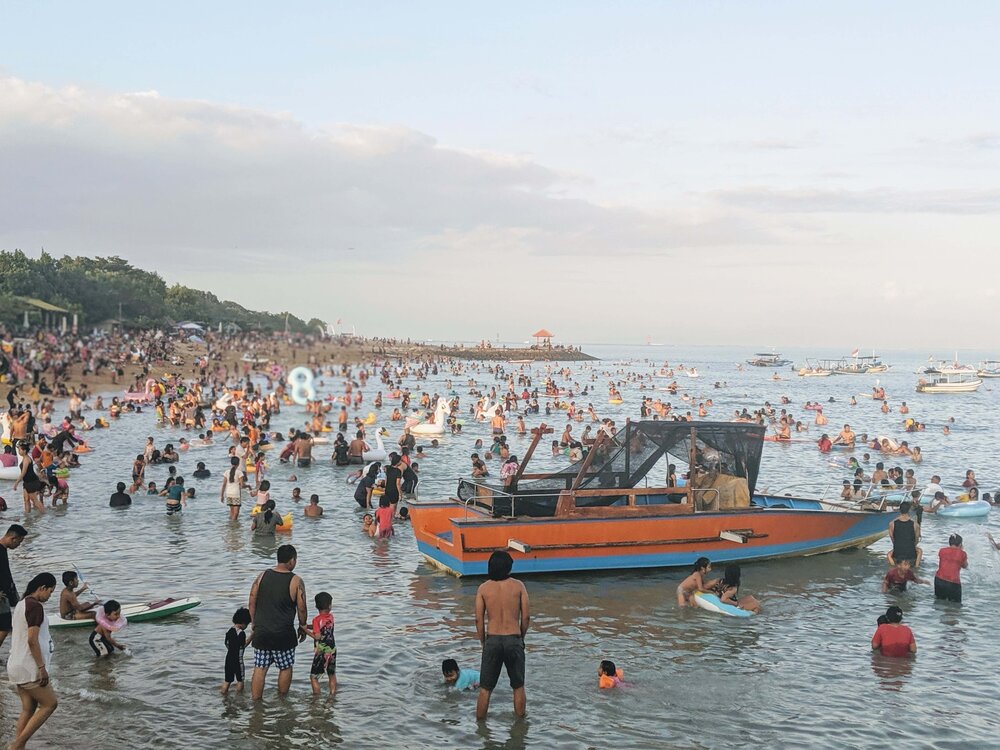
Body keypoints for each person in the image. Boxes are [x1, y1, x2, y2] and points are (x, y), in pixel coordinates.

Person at [248, 545, 308, 699]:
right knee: (285, 667)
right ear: (292, 561)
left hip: (262, 632)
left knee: (260, 668)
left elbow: (252, 601)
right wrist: (302, 626)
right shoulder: (296, 580)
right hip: (283, 634)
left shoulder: (262, 576)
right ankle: (282, 702)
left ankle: (256, 703)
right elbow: (302, 608)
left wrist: (254, 624)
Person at [7, 572, 58, 750]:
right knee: (50, 704)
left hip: (16, 664)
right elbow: (32, 640)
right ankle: (17, 746)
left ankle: (18, 747)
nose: (50, 596)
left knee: (28, 709)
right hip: (29, 667)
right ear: (42, 588)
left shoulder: (22, 604)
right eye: (50, 592)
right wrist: (42, 667)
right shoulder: (35, 606)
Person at [475, 550, 529, 721]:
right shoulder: (519, 586)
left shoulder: (483, 588)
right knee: (518, 686)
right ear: (508, 568)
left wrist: (484, 642)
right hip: (514, 638)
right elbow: (526, 617)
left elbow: (478, 620)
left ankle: (480, 728)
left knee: (485, 688)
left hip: (493, 639)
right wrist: (521, 637)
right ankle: (520, 728)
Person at [0, 524, 28, 648]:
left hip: (5, 593)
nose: (19, 546)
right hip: (1, 595)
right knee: (5, 628)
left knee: (5, 626)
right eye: (19, 542)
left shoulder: (3, 550)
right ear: (13, 538)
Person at [306, 591, 337, 696]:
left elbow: (317, 636)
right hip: (332, 650)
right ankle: (332, 695)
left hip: (321, 652)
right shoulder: (331, 617)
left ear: (316, 606)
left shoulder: (316, 620)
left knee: (314, 677)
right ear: (329, 606)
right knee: (331, 674)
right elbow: (322, 628)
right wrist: (308, 626)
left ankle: (316, 698)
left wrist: (304, 629)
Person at [222, 607, 253, 694]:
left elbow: (226, 644)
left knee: (227, 680)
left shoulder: (229, 631)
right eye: (247, 624)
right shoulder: (241, 633)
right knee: (240, 679)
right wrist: (251, 637)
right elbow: (242, 646)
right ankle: (239, 695)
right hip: (238, 660)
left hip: (228, 659)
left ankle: (223, 694)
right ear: (244, 623)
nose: (246, 626)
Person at [934, 533, 968, 603]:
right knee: (955, 606)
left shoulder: (942, 550)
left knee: (939, 602)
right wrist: (961, 550)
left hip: (939, 580)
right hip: (953, 583)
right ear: (960, 544)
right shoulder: (962, 554)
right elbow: (965, 566)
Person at [887, 502, 921, 568]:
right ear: (909, 510)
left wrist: (897, 545)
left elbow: (892, 537)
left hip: (897, 553)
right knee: (919, 551)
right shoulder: (915, 524)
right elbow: (916, 539)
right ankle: (917, 567)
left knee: (889, 554)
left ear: (900, 510)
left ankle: (894, 567)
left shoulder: (892, 524)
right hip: (911, 554)